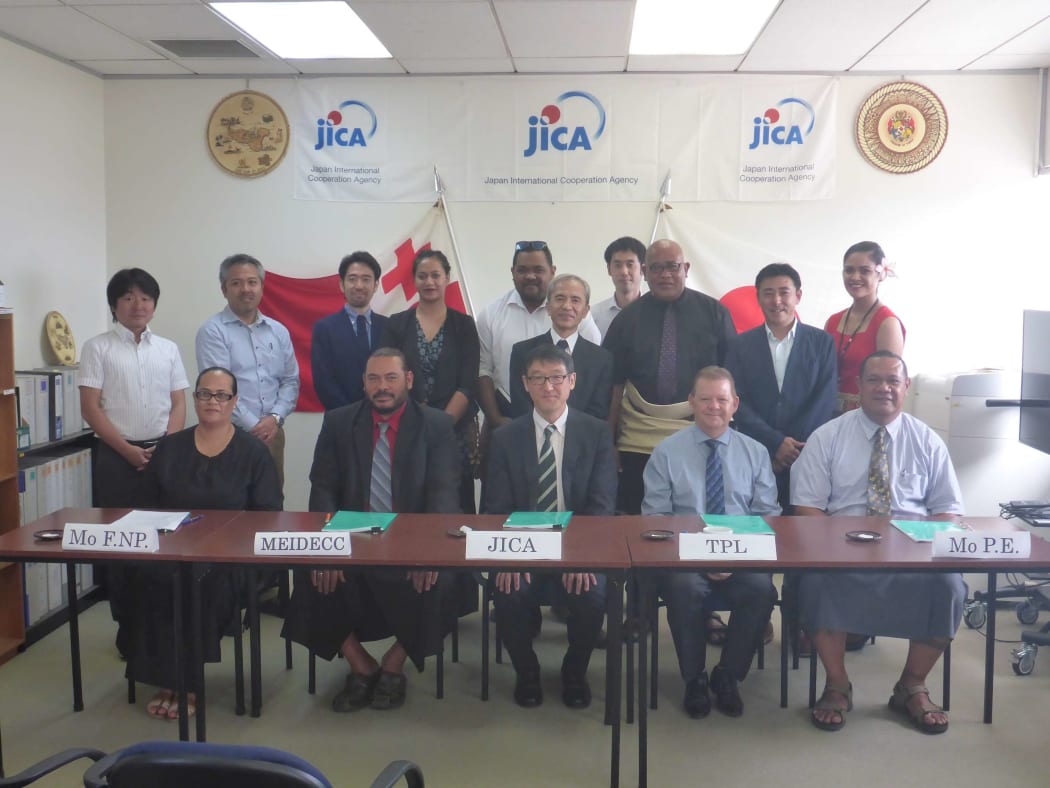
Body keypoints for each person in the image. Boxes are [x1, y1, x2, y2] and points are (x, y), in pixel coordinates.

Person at [282, 348, 466, 713]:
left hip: (412, 545)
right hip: (353, 543)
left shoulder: (436, 426)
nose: (382, 387)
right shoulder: (338, 422)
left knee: (444, 578)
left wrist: (426, 552)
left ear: (408, 381)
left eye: (391, 378)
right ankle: (361, 666)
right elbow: (323, 490)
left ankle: (394, 667)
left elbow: (443, 498)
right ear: (363, 383)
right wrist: (328, 550)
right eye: (373, 379)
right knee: (309, 574)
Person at [791, 351, 965, 734]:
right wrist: (836, 548)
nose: (883, 388)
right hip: (842, 552)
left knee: (949, 584)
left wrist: (922, 547)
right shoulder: (827, 437)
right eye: (874, 380)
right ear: (858, 387)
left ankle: (911, 686)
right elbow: (807, 507)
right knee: (815, 582)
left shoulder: (927, 441)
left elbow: (948, 511)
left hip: (912, 553)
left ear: (906, 388)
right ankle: (837, 684)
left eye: (892, 381)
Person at [128, 366, 282, 720]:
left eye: (222, 395)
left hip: (229, 560)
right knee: (150, 578)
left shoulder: (252, 453)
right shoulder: (170, 447)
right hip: (172, 552)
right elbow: (146, 507)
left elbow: (268, 514)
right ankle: (170, 679)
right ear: (195, 398)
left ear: (234, 401)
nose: (213, 401)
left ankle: (186, 682)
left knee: (196, 584)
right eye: (205, 394)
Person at [485, 344, 617, 709]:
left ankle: (574, 671)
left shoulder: (595, 433)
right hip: (522, 549)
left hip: (577, 547)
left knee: (593, 594)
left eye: (557, 378)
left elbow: (601, 508)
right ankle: (526, 671)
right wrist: (510, 559)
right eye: (539, 379)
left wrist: (581, 558)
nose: (548, 387)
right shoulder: (505, 438)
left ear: (571, 382)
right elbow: (495, 510)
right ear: (525, 384)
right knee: (507, 591)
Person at [642, 366, 779, 718]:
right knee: (683, 588)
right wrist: (702, 557)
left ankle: (727, 676)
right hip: (685, 560)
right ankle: (695, 679)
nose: (713, 407)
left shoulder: (756, 453)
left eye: (722, 399)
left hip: (742, 556)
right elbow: (656, 520)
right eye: (705, 399)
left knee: (762, 591)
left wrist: (732, 557)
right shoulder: (666, 452)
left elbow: (767, 517)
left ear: (735, 404)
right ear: (691, 402)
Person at [79, 268, 189, 654]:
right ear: (114, 305)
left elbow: (179, 402)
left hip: (163, 454)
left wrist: (168, 447)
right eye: (128, 297)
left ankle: (162, 627)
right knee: (121, 545)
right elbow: (91, 409)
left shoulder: (169, 349)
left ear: (155, 305)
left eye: (145, 297)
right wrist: (127, 450)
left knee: (163, 541)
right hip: (115, 455)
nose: (137, 305)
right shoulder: (98, 348)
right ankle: (127, 631)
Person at [603, 239, 736, 514]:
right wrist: (609, 442)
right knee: (641, 519)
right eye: (657, 268)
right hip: (637, 437)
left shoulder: (715, 313)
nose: (665, 275)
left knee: (696, 515)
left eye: (673, 267)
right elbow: (613, 386)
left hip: (700, 433)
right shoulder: (626, 320)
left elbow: (731, 378)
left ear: (686, 268)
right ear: (645, 271)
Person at [724, 263, 837, 510]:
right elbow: (736, 399)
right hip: (757, 452)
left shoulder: (822, 343)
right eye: (768, 293)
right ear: (757, 298)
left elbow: (825, 399)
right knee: (758, 526)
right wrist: (775, 443)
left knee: (803, 533)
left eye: (784, 292)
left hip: (807, 453)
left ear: (798, 296)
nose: (776, 300)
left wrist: (793, 447)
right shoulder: (740, 345)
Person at [380, 249, 480, 514]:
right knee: (407, 502)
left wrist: (441, 425)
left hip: (453, 431)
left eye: (436, 275)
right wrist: (417, 421)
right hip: (406, 428)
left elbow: (467, 384)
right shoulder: (397, 324)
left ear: (447, 278)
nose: (429, 282)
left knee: (452, 505)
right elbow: (388, 378)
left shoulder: (464, 325)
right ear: (414, 280)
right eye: (422, 276)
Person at [476, 241, 601, 437]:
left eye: (538, 270)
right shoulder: (490, 314)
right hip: (508, 418)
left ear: (552, 271)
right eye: (523, 270)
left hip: (572, 425)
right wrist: (495, 420)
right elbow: (484, 371)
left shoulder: (575, 316)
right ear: (512, 272)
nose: (530, 276)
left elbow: (592, 369)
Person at [195, 253, 299, 488]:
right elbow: (218, 391)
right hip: (230, 434)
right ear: (224, 289)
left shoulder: (278, 331)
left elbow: (290, 380)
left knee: (271, 502)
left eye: (252, 282)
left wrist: (274, 419)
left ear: (262, 287)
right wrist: (254, 426)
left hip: (273, 433)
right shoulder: (213, 332)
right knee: (231, 503)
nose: (245, 289)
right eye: (236, 283)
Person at [508, 274, 614, 420]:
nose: (566, 306)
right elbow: (520, 406)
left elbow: (598, 411)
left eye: (575, 300)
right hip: (533, 437)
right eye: (559, 299)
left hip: (582, 439)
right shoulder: (522, 352)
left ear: (585, 311)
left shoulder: (602, 359)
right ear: (548, 307)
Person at [824, 241, 905, 414]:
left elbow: (889, 384)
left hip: (867, 416)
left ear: (881, 274)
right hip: (828, 414)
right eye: (849, 270)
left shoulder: (887, 323)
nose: (855, 277)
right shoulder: (833, 321)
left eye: (864, 271)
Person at [311, 251, 388, 411]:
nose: (359, 285)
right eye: (352, 279)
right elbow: (323, 382)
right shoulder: (324, 328)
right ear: (341, 284)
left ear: (375, 285)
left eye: (366, 279)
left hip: (384, 418)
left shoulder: (389, 326)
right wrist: (353, 416)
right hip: (341, 422)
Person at [591, 236, 645, 337]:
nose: (624, 272)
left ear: (643, 269)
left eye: (630, 264)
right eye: (618, 265)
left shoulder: (653, 314)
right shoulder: (594, 316)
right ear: (609, 269)